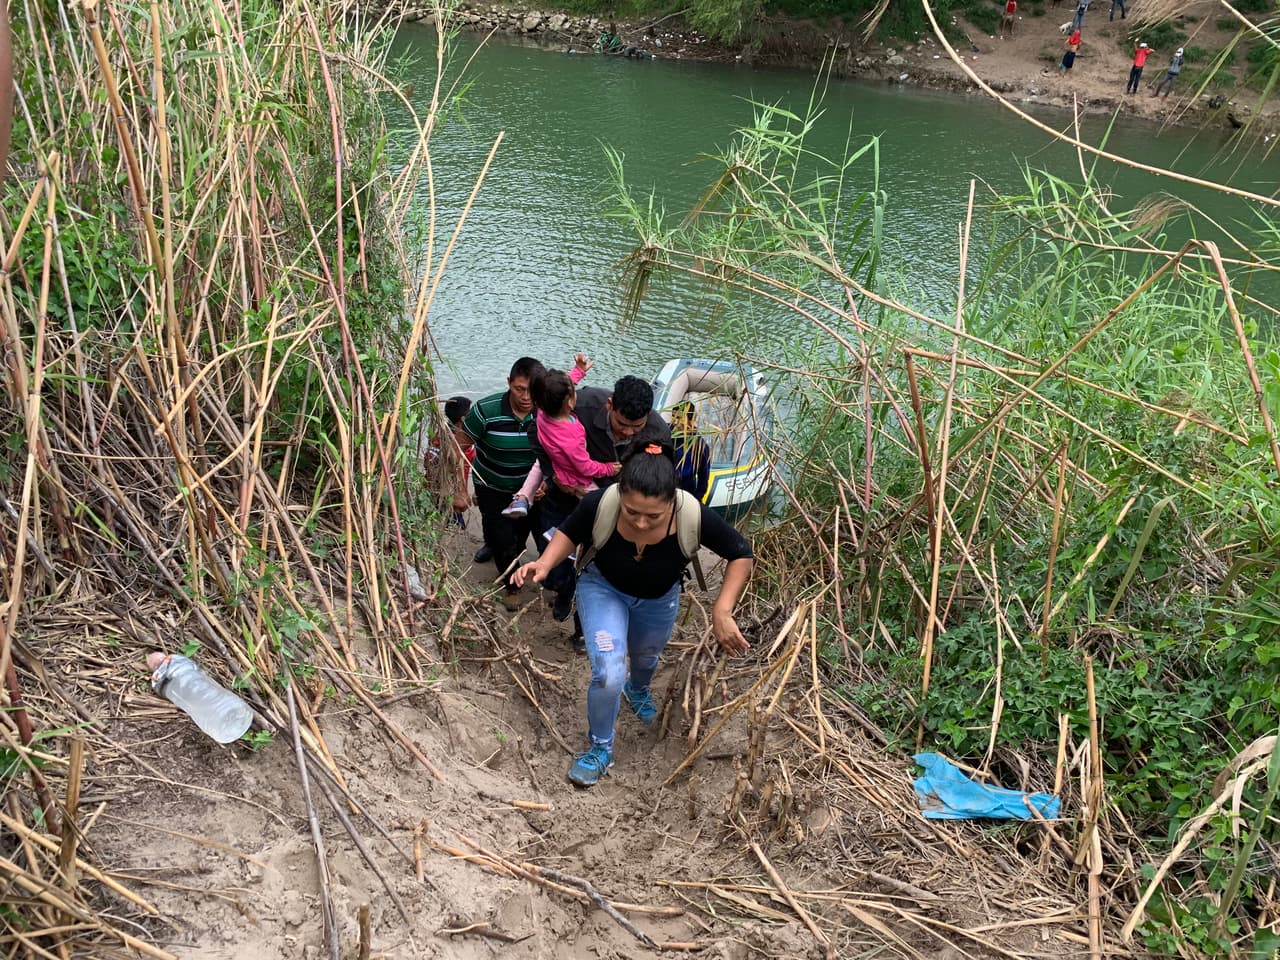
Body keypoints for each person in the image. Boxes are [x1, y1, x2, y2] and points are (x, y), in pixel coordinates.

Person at [512, 441, 754, 787]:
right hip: (603, 589)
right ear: (621, 496)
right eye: (631, 512)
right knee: (608, 671)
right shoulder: (601, 503)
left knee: (646, 656)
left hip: (659, 599)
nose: (641, 523)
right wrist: (544, 562)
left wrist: (722, 609)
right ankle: (600, 747)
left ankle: (637, 688)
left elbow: (741, 553)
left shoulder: (692, 514)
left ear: (672, 500)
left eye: (652, 516)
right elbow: (569, 532)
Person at [454, 357, 546, 595]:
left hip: (530, 491)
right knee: (502, 540)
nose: (526, 397)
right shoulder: (485, 411)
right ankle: (512, 587)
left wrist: (545, 482)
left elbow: (559, 452)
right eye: (519, 389)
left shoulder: (548, 411)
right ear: (509, 383)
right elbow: (458, 448)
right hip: (491, 486)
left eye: (532, 391)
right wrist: (460, 490)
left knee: (519, 536)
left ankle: (504, 551)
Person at [504, 354, 619, 521]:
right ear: (570, 402)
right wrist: (608, 468)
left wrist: (578, 371)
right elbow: (585, 467)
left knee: (538, 466)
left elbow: (557, 389)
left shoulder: (542, 411)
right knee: (597, 505)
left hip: (555, 460)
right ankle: (563, 530)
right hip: (574, 477)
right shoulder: (571, 437)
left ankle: (522, 499)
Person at [425, 396, 475, 528]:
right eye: (471, 413)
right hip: (447, 494)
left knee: (450, 525)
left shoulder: (445, 435)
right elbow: (430, 461)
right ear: (464, 418)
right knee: (453, 526)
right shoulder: (448, 439)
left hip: (449, 492)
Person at [671, 401, 711, 502]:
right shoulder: (665, 434)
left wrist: (696, 500)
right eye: (673, 416)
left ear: (691, 420)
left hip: (686, 493)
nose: (675, 421)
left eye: (679, 418)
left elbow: (703, 479)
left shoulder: (699, 446)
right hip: (663, 490)